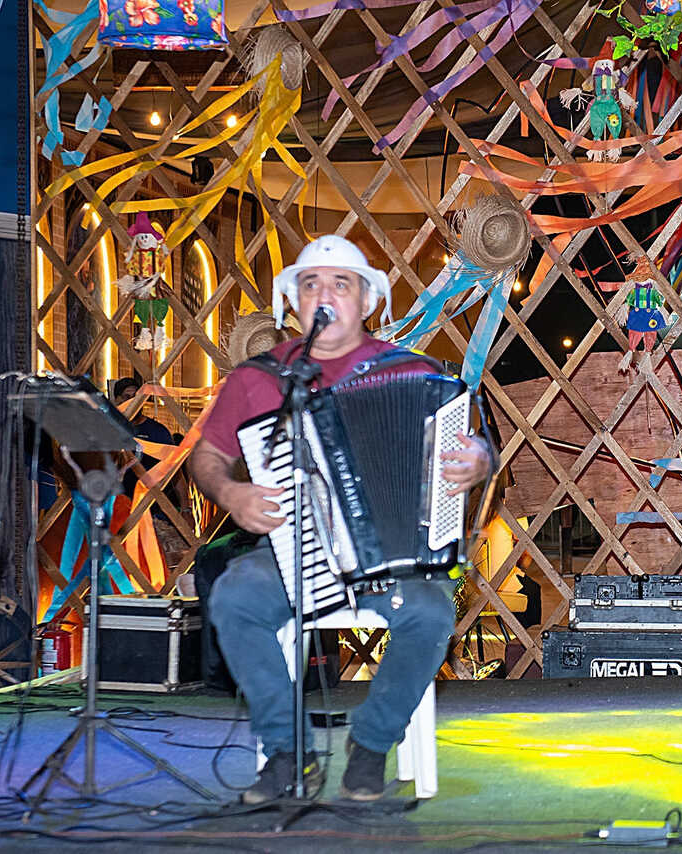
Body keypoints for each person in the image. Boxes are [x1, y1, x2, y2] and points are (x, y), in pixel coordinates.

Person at [189, 235, 491, 804]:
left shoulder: (412, 372)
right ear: (293, 303)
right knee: (234, 597)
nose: (324, 294)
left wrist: (476, 459)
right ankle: (286, 752)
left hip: (393, 561)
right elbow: (207, 455)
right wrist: (231, 492)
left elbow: (471, 445)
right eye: (311, 284)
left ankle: (371, 745)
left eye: (340, 283)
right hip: (289, 550)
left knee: (430, 615)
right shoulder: (257, 379)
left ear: (367, 300)